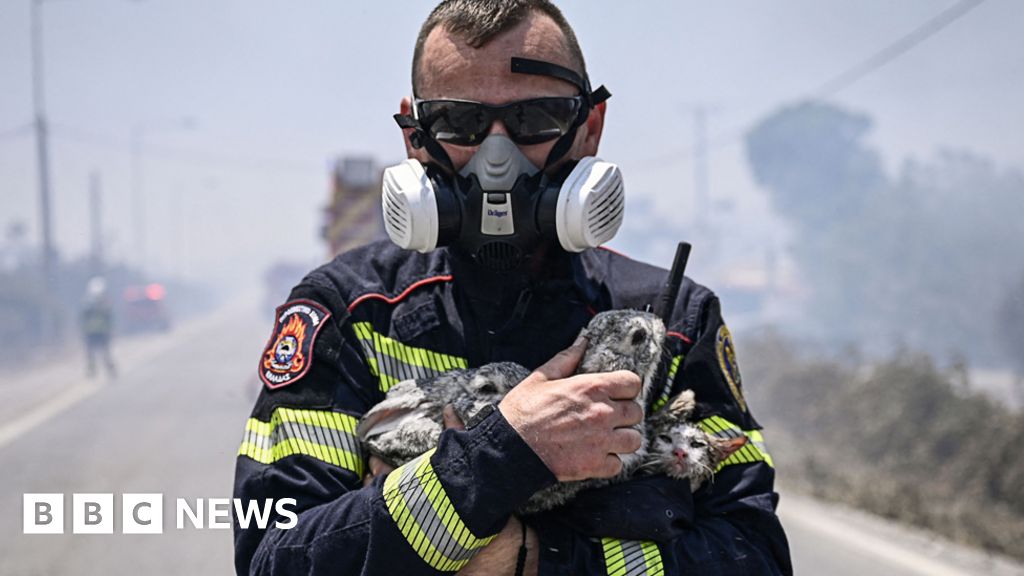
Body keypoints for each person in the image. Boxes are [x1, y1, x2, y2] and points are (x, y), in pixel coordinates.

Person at [233, 1, 792, 574]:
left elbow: (756, 558)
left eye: (534, 120)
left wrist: (532, 557)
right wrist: (502, 455)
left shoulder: (668, 323)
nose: (495, 160)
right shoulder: (349, 313)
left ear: (590, 127)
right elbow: (276, 557)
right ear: (414, 134)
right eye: (458, 122)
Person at [81, 276, 117, 379]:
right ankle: (92, 372)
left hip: (102, 333)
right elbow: (83, 318)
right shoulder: (88, 303)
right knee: (91, 355)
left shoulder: (105, 303)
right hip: (92, 333)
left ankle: (111, 371)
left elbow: (109, 317)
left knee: (105, 354)